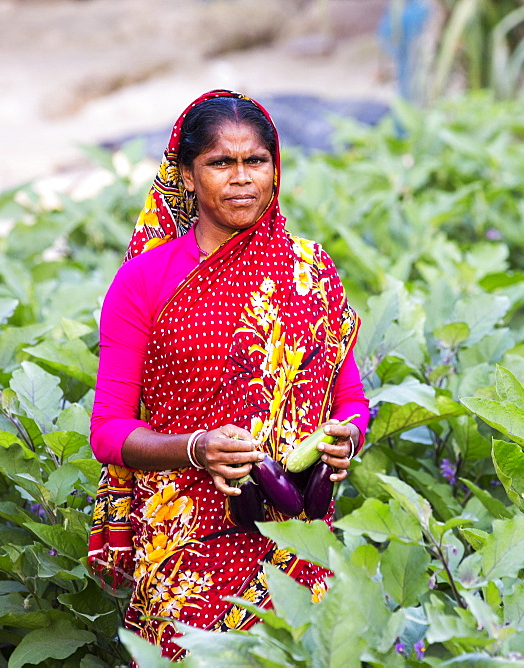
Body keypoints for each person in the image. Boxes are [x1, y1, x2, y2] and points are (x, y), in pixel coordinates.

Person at [86, 90, 369, 659]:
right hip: (186, 548)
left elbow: (352, 398)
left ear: (274, 167)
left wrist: (346, 436)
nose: (242, 178)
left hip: (298, 540)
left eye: (255, 161)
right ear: (187, 177)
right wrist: (196, 449)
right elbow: (108, 431)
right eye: (221, 163)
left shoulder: (310, 271)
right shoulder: (144, 282)